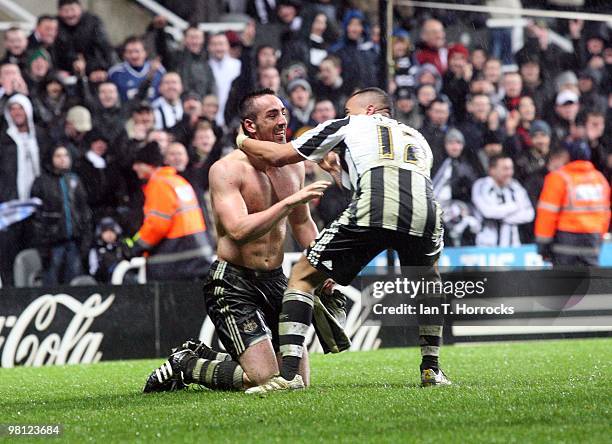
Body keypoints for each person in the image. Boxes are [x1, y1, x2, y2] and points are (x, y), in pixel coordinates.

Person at [237, 87, 450, 392]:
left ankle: (288, 377)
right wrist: (338, 173)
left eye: (350, 110)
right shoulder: (416, 137)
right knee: (428, 282)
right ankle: (431, 370)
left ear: (371, 110)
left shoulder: (349, 124)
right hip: (427, 211)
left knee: (302, 276)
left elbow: (279, 155)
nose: (346, 115)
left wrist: (242, 140)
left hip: (375, 206)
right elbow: (389, 179)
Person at [142, 89, 340, 393]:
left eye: (283, 112)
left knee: (295, 381)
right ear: (250, 126)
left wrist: (322, 269)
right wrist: (288, 203)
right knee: (266, 379)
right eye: (272, 115)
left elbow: (302, 223)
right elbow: (238, 230)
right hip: (233, 280)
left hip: (274, 277)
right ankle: (185, 365)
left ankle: (201, 356)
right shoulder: (226, 169)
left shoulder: (294, 164)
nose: (282, 120)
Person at [121, 142, 213, 280]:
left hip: (174, 262)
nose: (134, 168)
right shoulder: (178, 181)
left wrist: (135, 247)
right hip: (197, 257)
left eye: (138, 163)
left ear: (148, 165)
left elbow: (157, 225)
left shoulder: (159, 184)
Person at [535, 141, 610, 266]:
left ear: (568, 157)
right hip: (592, 240)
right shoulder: (600, 179)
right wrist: (599, 238)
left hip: (565, 242)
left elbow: (547, 214)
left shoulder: (558, 178)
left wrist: (543, 244)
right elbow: (605, 213)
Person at [30, 145, 92, 286]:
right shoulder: (42, 183)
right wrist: (43, 247)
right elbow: (36, 219)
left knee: (74, 285)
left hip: (74, 242)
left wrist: (86, 240)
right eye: (58, 156)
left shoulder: (74, 180)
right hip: (52, 244)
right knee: (51, 285)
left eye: (65, 155)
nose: (63, 159)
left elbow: (84, 212)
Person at [471, 155, 534, 247]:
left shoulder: (515, 186)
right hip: (486, 246)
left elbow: (529, 214)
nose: (509, 173)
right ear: (492, 170)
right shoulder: (481, 185)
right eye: (505, 169)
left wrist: (500, 216)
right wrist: (515, 206)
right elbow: (487, 212)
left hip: (513, 246)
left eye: (511, 169)